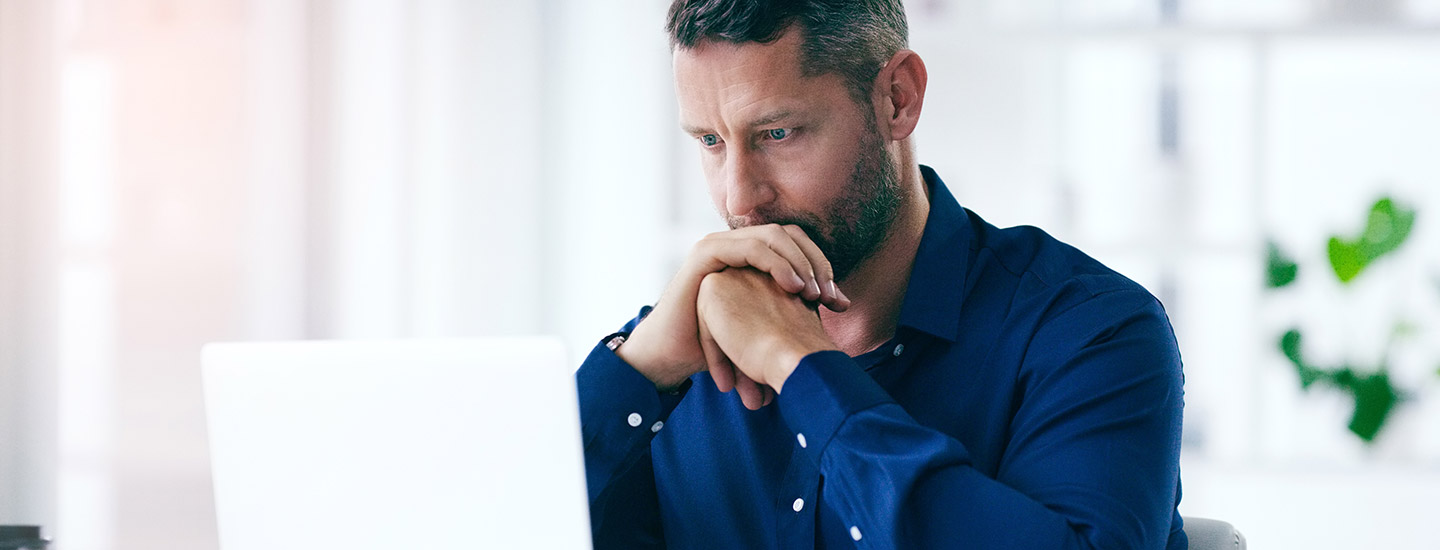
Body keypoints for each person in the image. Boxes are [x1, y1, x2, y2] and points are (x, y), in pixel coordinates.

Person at [575, 0, 1187, 548]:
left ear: (899, 97)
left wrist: (801, 369)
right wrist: (637, 369)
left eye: (778, 133)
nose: (740, 198)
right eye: (711, 141)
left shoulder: (1092, 332)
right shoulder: (673, 359)